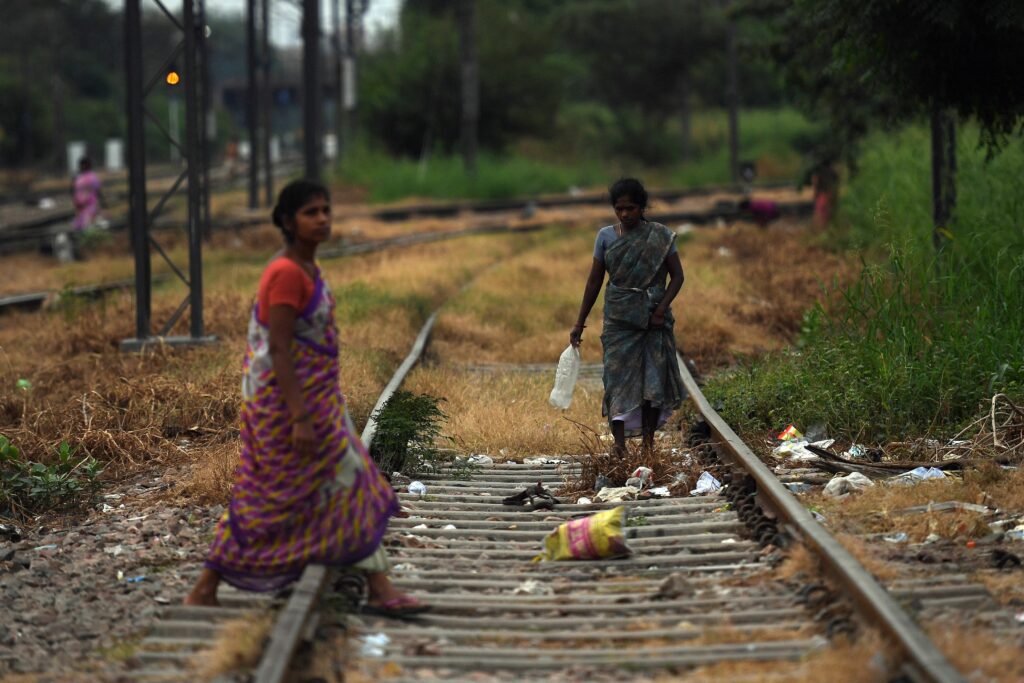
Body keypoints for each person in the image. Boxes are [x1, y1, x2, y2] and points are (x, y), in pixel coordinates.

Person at [185, 180, 428, 617]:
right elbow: (278, 349)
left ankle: (378, 585)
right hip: (285, 409)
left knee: (340, 484)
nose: (322, 219)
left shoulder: (308, 268)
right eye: (310, 212)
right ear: (287, 220)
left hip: (315, 404)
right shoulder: (285, 274)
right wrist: (298, 417)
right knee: (277, 495)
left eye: (325, 210)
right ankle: (377, 586)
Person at [570, 178, 686, 456]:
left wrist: (660, 309)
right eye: (619, 209)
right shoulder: (605, 237)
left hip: (652, 321)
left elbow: (678, 276)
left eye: (631, 208)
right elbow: (594, 282)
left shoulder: (660, 236)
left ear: (642, 207)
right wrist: (579, 322)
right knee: (616, 379)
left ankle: (648, 445)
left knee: (651, 382)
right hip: (619, 321)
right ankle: (619, 446)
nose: (624, 214)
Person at [71, 157, 103, 231]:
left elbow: (97, 192)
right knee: (79, 226)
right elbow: (75, 192)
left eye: (82, 165)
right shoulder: (78, 177)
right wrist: (76, 204)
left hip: (90, 207)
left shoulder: (93, 177)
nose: (81, 167)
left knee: (88, 226)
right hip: (80, 208)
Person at [811, 159, 839, 228]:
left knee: (821, 212)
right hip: (829, 193)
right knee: (828, 212)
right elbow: (836, 186)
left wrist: (815, 194)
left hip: (823, 194)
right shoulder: (833, 173)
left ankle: (821, 227)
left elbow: (816, 185)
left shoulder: (820, 173)